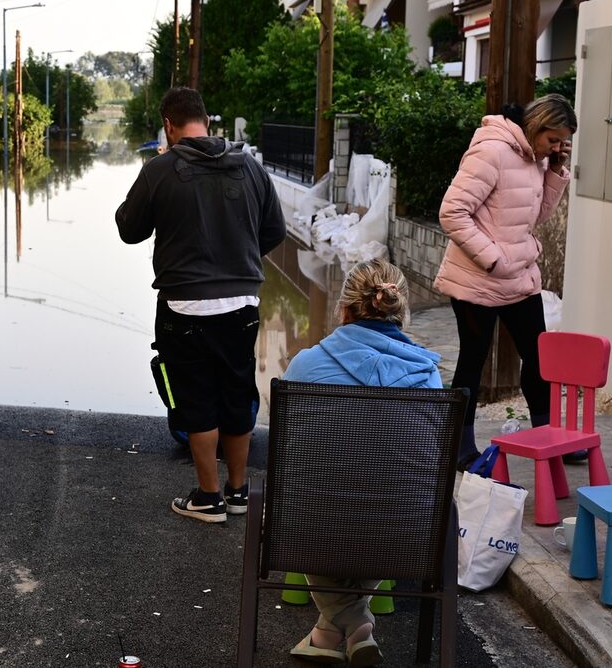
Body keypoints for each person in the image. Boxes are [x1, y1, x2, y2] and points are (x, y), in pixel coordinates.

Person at [115, 87, 286, 524]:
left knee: (196, 399)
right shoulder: (250, 167)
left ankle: (208, 498)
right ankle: (239, 492)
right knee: (236, 392)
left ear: (168, 126)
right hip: (243, 303)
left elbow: (129, 230)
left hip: (184, 307)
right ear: (206, 121)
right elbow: (274, 232)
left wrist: (153, 168)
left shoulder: (160, 169)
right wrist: (239, 261)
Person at [282, 259, 442, 666]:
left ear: (344, 310)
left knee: (308, 498)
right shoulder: (427, 375)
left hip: (309, 530)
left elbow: (291, 460)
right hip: (406, 533)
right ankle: (351, 629)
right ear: (400, 312)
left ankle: (341, 628)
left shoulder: (304, 366)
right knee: (388, 494)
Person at [434, 94, 578, 469]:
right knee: (473, 359)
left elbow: (535, 217)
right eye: (554, 140)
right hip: (478, 279)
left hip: (519, 277)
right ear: (537, 124)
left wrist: (555, 170)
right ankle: (459, 448)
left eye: (562, 143)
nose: (556, 147)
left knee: (540, 357)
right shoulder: (493, 151)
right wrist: (493, 259)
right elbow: (452, 212)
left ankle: (548, 439)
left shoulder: (536, 157)